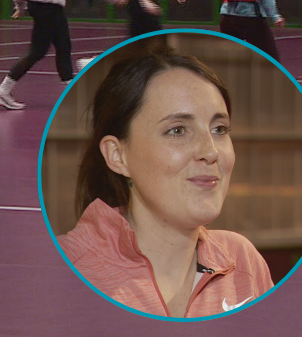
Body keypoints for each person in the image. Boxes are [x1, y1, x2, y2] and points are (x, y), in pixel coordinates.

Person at [58, 46, 274, 318]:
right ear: (118, 156)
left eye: (219, 129)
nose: (211, 152)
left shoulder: (243, 261)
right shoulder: (65, 269)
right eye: (178, 130)